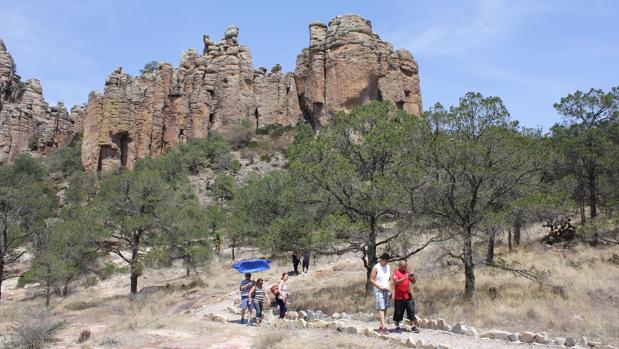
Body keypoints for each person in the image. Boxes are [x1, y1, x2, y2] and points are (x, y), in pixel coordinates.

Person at [392, 260, 420, 333]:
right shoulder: (396, 273)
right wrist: (405, 277)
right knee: (398, 313)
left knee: (411, 311)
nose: (404, 268)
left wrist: (413, 278)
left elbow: (413, 282)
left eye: (405, 266)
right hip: (399, 297)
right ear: (399, 266)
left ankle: (413, 326)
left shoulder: (407, 272)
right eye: (403, 267)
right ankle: (397, 326)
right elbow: (396, 282)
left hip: (407, 296)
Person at [370, 253, 391, 334]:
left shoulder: (388, 267)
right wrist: (379, 287)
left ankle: (381, 325)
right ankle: (384, 327)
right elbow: (371, 279)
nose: (386, 263)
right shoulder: (376, 267)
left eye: (387, 261)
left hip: (386, 289)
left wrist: (390, 289)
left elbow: (389, 279)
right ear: (381, 259)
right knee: (381, 308)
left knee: (385, 308)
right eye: (385, 261)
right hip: (379, 290)